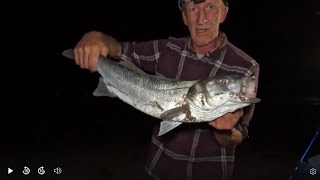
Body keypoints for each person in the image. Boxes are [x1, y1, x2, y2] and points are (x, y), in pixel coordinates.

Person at [70, 0, 260, 179]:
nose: (202, 19)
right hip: (160, 169)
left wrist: (225, 131)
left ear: (223, 13)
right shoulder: (167, 48)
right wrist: (95, 38)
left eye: (210, 6)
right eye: (193, 9)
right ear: (185, 17)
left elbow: (239, 134)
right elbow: (118, 49)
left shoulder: (245, 66)